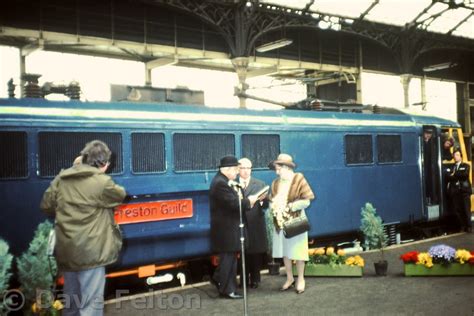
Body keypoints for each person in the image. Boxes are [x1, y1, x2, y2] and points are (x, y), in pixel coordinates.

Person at [40, 140, 126, 315]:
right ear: (104, 163)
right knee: (91, 306)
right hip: (91, 253)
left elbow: (46, 205)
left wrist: (75, 168)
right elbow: (120, 195)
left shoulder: (62, 178)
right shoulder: (101, 182)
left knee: (71, 303)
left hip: (67, 250)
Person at [209, 156, 260, 299]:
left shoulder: (223, 181)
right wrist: (249, 201)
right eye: (236, 170)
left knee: (230, 258)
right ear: (228, 169)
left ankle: (221, 280)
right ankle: (227, 290)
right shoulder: (221, 184)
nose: (238, 173)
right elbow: (233, 204)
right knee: (228, 259)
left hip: (227, 228)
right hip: (226, 229)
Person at [269, 153, 315, 294]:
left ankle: (300, 279)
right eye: (276, 169)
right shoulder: (275, 183)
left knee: (298, 251)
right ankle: (289, 278)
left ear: (287, 167)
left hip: (296, 221)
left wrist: (290, 207)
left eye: (279, 169)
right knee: (285, 251)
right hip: (280, 222)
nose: (277, 172)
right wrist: (274, 207)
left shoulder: (298, 179)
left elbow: (307, 201)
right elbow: (271, 200)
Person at [237, 158, 268, 289]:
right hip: (240, 222)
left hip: (255, 222)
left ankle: (255, 279)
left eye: (248, 168)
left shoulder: (260, 184)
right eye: (243, 168)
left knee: (255, 252)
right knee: (242, 252)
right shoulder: (233, 184)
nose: (246, 171)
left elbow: (266, 205)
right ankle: (243, 280)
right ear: (238, 169)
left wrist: (261, 201)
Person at [445, 148, 472, 233]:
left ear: (461, 156)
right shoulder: (451, 167)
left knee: (466, 210)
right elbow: (448, 177)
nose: (456, 157)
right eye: (454, 155)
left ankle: (469, 227)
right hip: (455, 192)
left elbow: (465, 175)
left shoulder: (466, 165)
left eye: (457, 155)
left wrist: (454, 174)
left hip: (464, 191)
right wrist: (455, 175)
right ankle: (463, 226)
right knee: (458, 211)